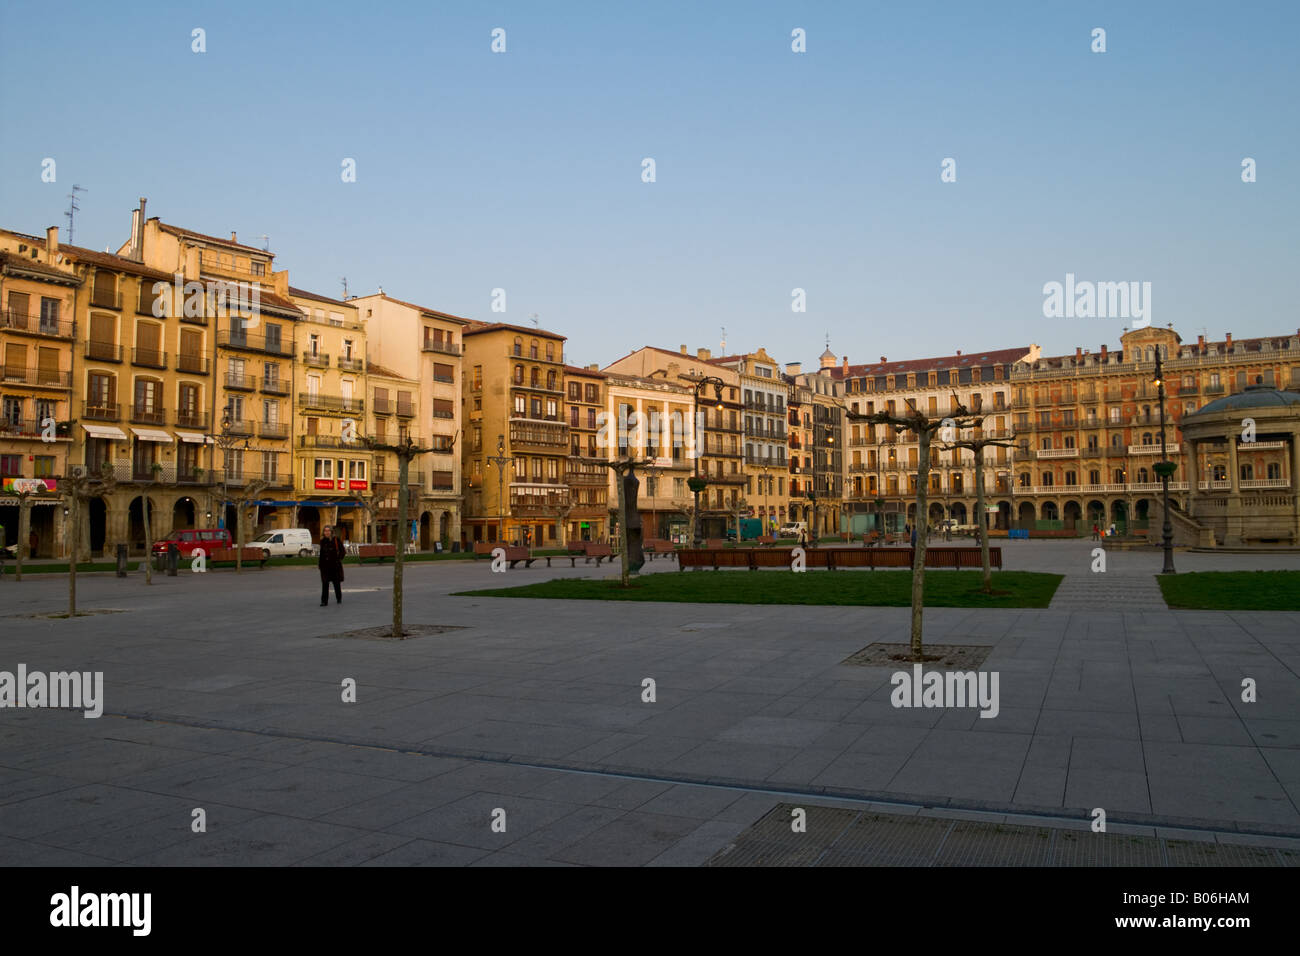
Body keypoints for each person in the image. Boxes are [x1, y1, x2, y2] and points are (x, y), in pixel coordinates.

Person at [318, 525, 345, 606]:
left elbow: (342, 551)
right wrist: (320, 564)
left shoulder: (336, 540)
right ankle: (324, 601)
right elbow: (321, 554)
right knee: (325, 584)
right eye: (325, 531)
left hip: (334, 566)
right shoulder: (322, 541)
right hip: (325, 566)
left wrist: (338, 559)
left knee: (336, 583)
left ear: (331, 532)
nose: (327, 532)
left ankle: (339, 598)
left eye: (328, 531)